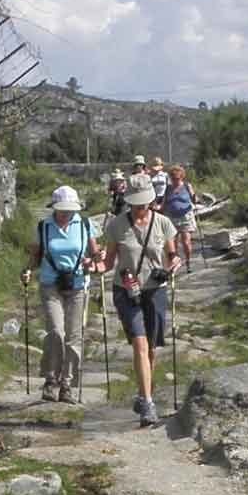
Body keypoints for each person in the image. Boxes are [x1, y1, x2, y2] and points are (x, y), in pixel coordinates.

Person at [98, 173, 181, 427]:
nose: (140, 208)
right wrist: (95, 266)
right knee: (140, 344)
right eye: (135, 203)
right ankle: (147, 403)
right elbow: (109, 262)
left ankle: (144, 393)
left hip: (155, 289)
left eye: (144, 202)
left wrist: (174, 263)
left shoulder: (164, 223)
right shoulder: (116, 226)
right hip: (126, 291)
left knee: (152, 349)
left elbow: (171, 254)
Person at [22, 185, 100, 404]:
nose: (66, 213)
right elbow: (36, 255)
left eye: (70, 209)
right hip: (50, 283)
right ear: (54, 208)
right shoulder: (44, 226)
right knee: (56, 332)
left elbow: (94, 252)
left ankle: (67, 384)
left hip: (77, 284)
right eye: (62, 209)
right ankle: (50, 379)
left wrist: (93, 261)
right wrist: (27, 271)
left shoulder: (84, 224)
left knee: (74, 336)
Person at [163, 164, 198, 271]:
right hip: (171, 217)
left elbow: (194, 199)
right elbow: (164, 203)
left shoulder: (187, 186)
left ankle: (188, 262)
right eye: (173, 178)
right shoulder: (168, 188)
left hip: (185, 217)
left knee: (186, 241)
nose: (175, 180)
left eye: (177, 178)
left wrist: (194, 198)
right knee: (173, 243)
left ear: (182, 176)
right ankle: (176, 263)